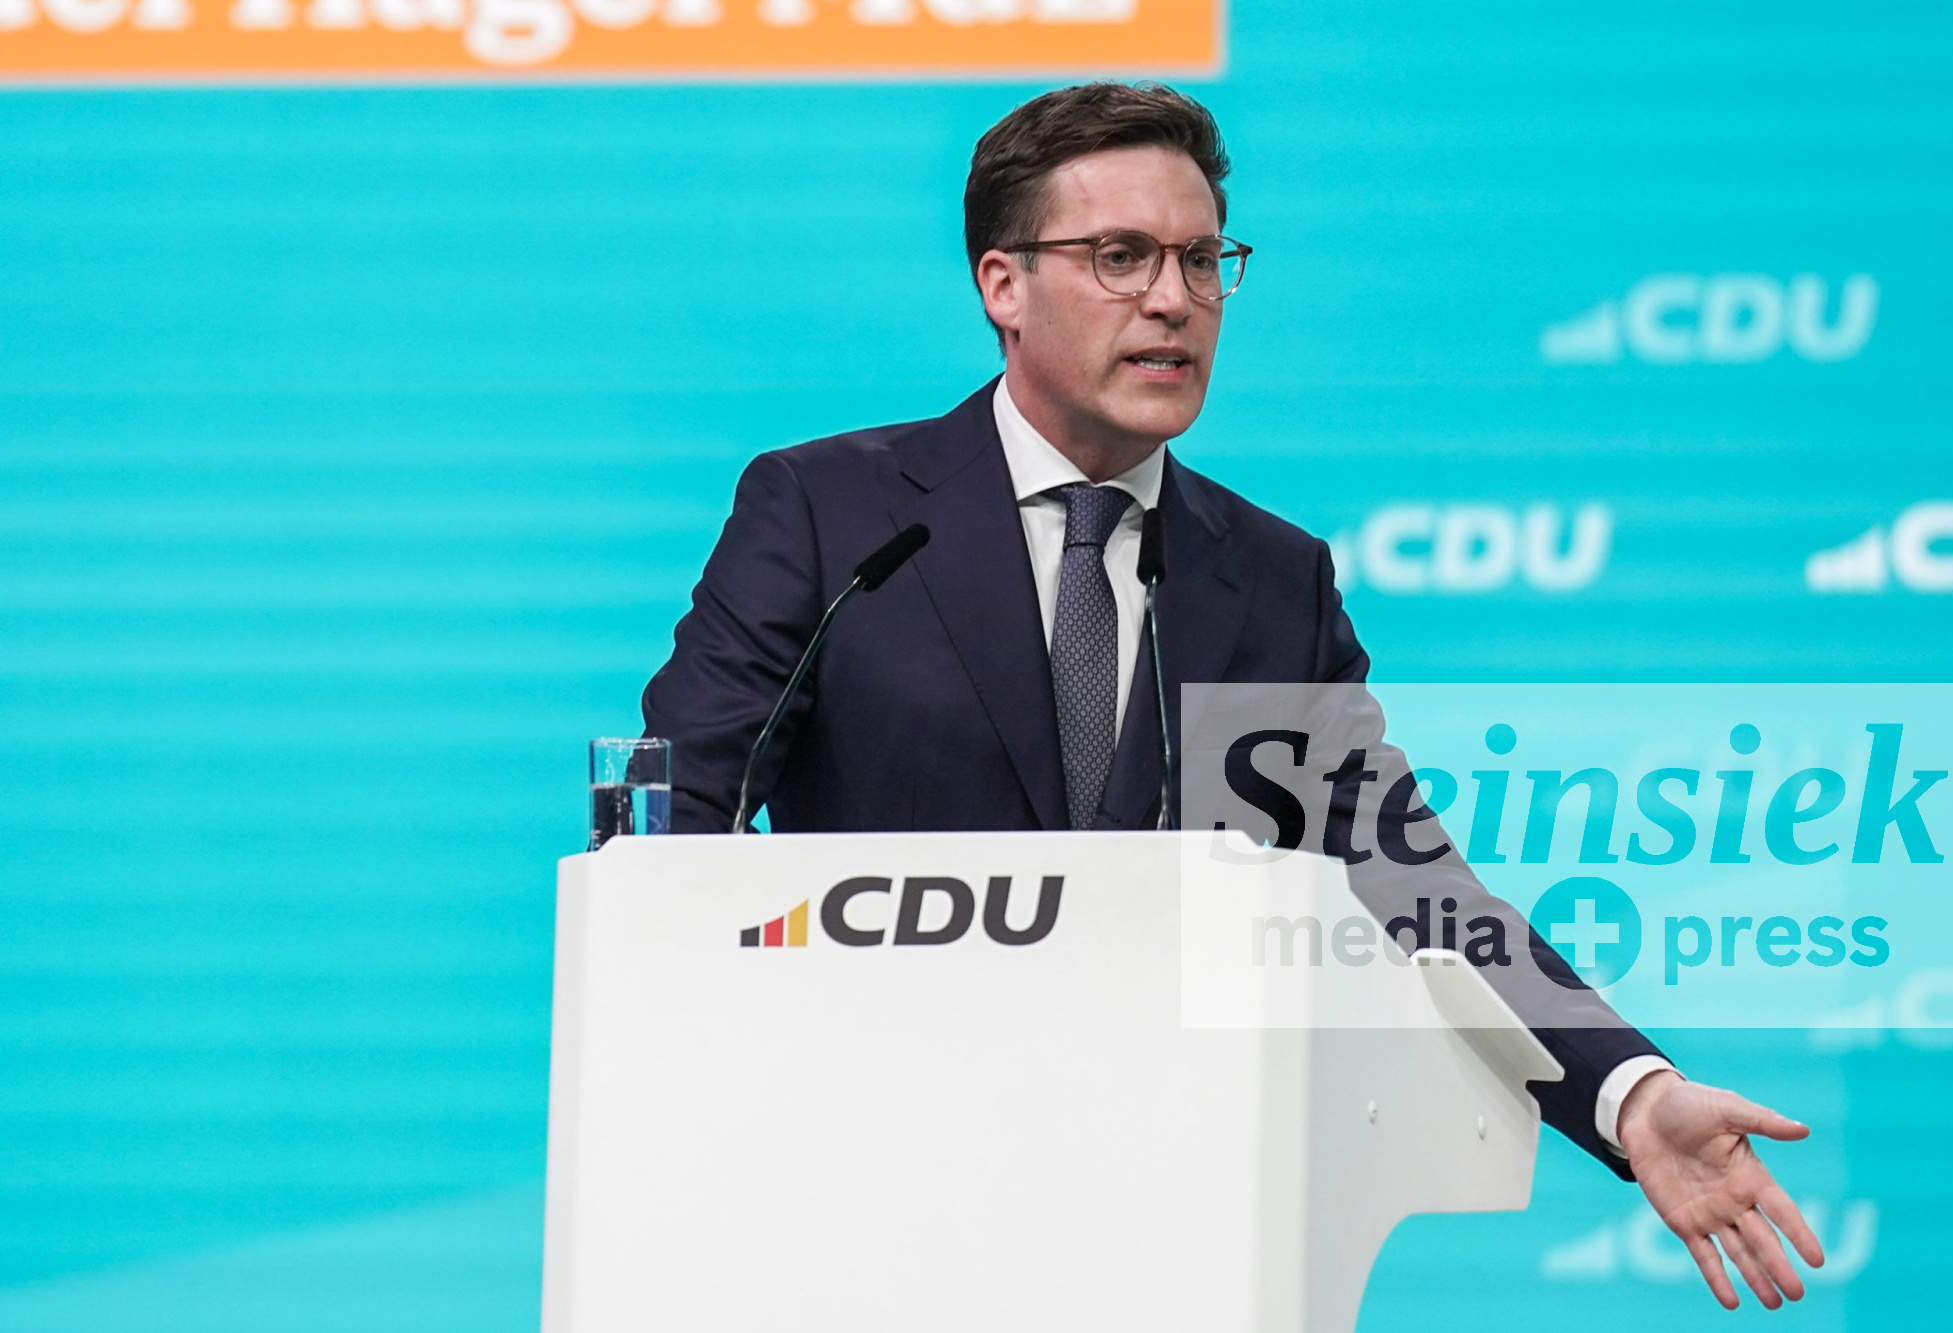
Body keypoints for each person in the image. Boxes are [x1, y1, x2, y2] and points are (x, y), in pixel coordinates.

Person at [643, 81, 1823, 1311]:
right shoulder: (834, 517)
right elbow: (676, 823)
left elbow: (1409, 885)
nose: (1172, 299)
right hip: (853, 1199)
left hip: (1163, 1228)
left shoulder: (1267, 580)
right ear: (1002, 285)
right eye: (1119, 257)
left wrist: (1630, 1093)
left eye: (1201, 260)